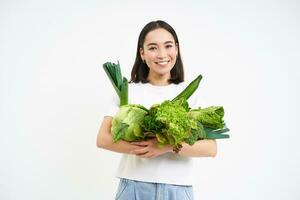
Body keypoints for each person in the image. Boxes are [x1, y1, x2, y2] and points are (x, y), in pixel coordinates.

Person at [97, 20, 217, 200]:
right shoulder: (128, 91)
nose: (162, 54)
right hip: (134, 187)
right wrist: (145, 148)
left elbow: (210, 148)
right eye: (153, 48)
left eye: (168, 46)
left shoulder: (191, 94)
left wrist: (167, 147)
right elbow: (103, 139)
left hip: (178, 190)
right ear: (142, 53)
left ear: (176, 49)